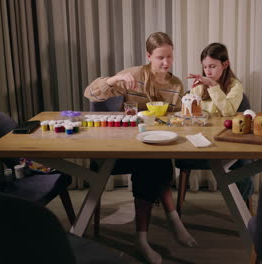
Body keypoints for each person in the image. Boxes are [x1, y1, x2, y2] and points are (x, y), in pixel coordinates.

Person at [84, 32, 196, 264]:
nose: (166, 63)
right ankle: (171, 218)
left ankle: (144, 237)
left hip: (154, 145)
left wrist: (190, 104)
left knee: (155, 159)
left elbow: (177, 120)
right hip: (123, 147)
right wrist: (114, 80)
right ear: (148, 56)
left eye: (170, 57)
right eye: (160, 57)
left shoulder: (175, 84)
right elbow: (90, 93)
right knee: (152, 163)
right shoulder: (133, 76)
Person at [187, 42, 253, 208]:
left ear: (225, 64)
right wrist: (190, 97)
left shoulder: (235, 86)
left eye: (212, 66)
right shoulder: (199, 85)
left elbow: (228, 112)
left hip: (227, 140)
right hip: (202, 140)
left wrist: (213, 86)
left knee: (244, 164)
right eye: (205, 67)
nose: (208, 71)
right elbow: (191, 113)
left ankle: (243, 210)